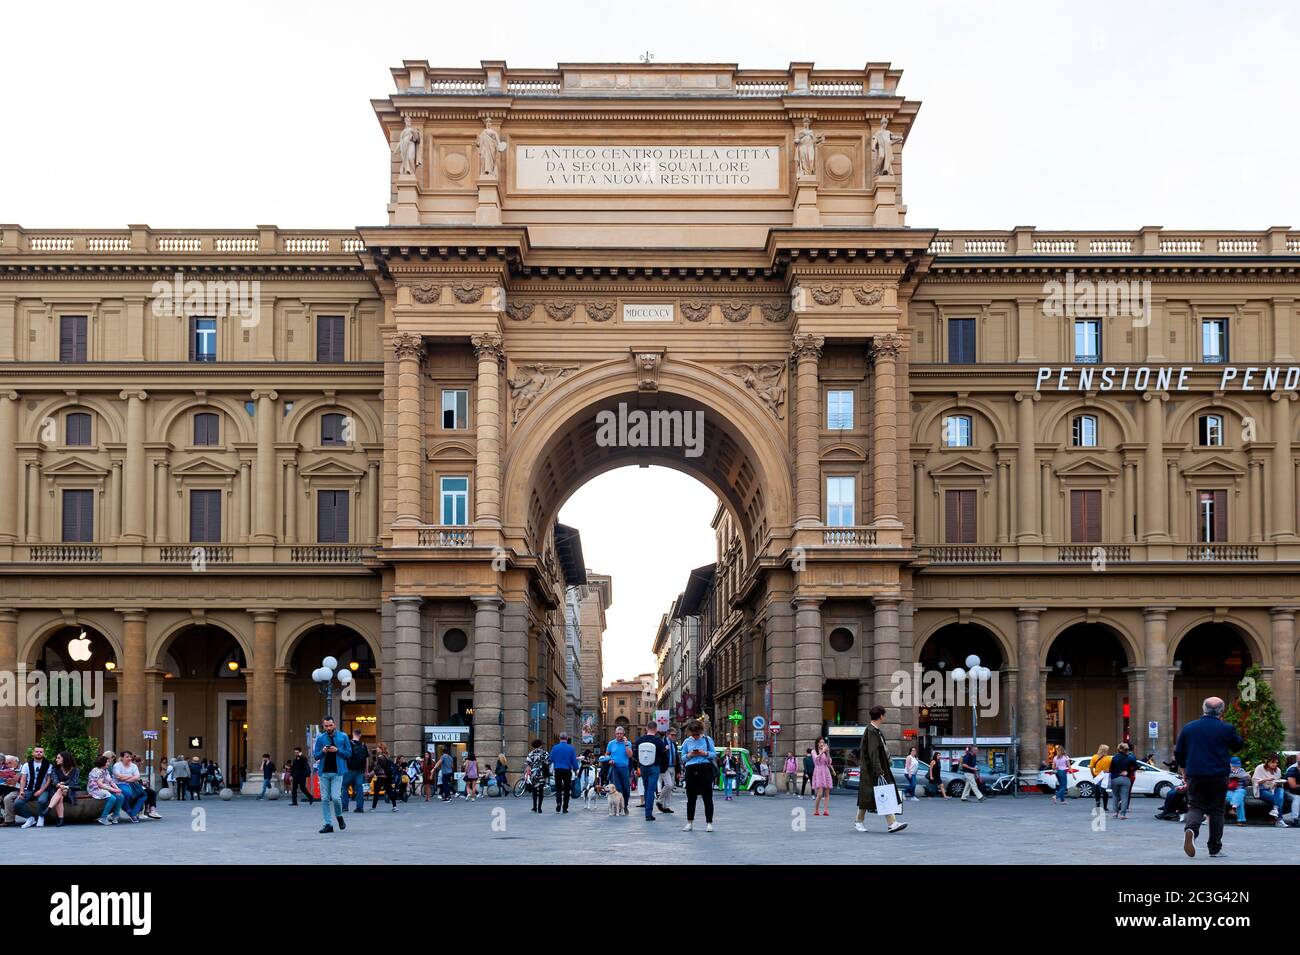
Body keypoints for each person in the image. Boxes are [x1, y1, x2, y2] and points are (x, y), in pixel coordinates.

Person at [1173, 696, 1244, 858]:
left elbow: (1179, 752)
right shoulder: (1226, 728)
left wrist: (1184, 770)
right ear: (1221, 711)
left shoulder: (1189, 728)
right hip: (1218, 775)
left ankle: (1191, 829)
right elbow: (1238, 745)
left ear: (1203, 709)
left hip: (1195, 773)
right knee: (1217, 810)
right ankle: (1214, 848)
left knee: (1196, 806)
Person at [854, 704, 908, 834]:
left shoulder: (874, 730)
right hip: (874, 771)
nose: (885, 718)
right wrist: (879, 772)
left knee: (875, 796)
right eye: (884, 715)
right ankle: (888, 823)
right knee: (877, 795)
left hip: (874, 770)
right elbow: (874, 753)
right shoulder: (872, 731)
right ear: (881, 716)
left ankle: (889, 823)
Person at [313, 715, 352, 834]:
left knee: (335, 797)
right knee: (324, 799)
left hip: (338, 772)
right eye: (326, 726)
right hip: (323, 772)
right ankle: (328, 824)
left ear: (334, 725)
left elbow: (349, 753)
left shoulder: (343, 736)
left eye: (330, 725)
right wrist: (323, 751)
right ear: (323, 726)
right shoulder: (320, 738)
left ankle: (339, 816)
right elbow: (315, 756)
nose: (328, 728)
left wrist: (337, 750)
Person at [680, 719, 716, 832]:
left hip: (705, 768)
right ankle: (689, 822)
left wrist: (704, 753)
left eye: (697, 734)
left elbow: (714, 754)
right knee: (691, 797)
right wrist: (690, 755)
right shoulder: (687, 741)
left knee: (707, 796)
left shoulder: (707, 739)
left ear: (701, 731)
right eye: (693, 734)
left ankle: (709, 823)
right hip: (691, 768)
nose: (695, 736)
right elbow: (683, 758)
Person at [15, 744, 56, 828]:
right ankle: (30, 818)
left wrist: (41, 790)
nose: (39, 753)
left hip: (43, 789)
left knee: (42, 801)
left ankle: (41, 817)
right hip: (30, 789)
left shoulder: (48, 765)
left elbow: (48, 780)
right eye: (37, 751)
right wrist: (22, 791)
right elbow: (23, 779)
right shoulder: (27, 765)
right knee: (17, 803)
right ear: (33, 753)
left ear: (43, 754)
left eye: (41, 752)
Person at [632, 723, 667, 821]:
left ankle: (648, 811)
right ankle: (648, 814)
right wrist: (663, 769)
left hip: (643, 767)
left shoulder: (640, 740)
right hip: (654, 766)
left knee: (647, 788)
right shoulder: (658, 741)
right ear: (656, 729)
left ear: (646, 729)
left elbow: (634, 756)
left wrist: (636, 768)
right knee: (651, 789)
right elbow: (665, 756)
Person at [87, 755, 124, 825]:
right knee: (112, 798)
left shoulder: (105, 770)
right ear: (102, 762)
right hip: (96, 789)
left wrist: (118, 789)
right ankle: (103, 817)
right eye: (107, 762)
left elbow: (111, 781)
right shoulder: (97, 771)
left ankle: (115, 815)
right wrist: (114, 790)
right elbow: (100, 785)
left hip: (105, 788)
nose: (109, 763)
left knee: (121, 796)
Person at [111, 750, 147, 822]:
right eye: (127, 757)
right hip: (118, 784)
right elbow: (118, 777)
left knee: (144, 794)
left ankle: (133, 812)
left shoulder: (133, 766)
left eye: (130, 757)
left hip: (132, 784)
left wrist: (125, 778)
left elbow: (137, 777)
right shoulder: (117, 765)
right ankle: (129, 812)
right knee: (127, 793)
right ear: (122, 758)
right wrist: (131, 776)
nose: (129, 758)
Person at [1251, 754, 1287, 826]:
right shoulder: (1260, 768)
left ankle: (1275, 810)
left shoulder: (1278, 770)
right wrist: (1266, 779)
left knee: (1281, 791)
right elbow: (1254, 781)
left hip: (1272, 789)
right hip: (1261, 790)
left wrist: (1277, 782)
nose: (1275, 764)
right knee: (1279, 799)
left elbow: (1276, 782)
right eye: (1273, 762)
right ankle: (1279, 819)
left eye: (1276, 763)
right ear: (1268, 762)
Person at [604, 726, 633, 813]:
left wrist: (626, 744)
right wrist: (609, 760)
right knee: (618, 788)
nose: (619, 735)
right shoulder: (611, 743)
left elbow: (630, 755)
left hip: (624, 768)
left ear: (624, 734)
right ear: (615, 734)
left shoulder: (628, 743)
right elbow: (606, 754)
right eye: (617, 733)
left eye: (621, 733)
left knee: (626, 789)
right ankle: (619, 806)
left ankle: (625, 805)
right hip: (614, 768)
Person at [549, 733, 579, 813]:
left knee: (558, 788)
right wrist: (576, 769)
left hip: (558, 770)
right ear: (567, 738)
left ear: (559, 738)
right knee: (567, 789)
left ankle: (558, 802)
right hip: (567, 770)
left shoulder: (555, 748)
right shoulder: (571, 748)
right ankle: (565, 807)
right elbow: (574, 761)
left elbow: (551, 759)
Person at [47, 751, 78, 827]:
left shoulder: (75, 770)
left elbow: (74, 782)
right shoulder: (55, 769)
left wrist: (63, 784)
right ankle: (61, 820)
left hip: (69, 790)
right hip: (56, 790)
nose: (56, 760)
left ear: (65, 759)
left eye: (58, 758)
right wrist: (59, 785)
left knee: (61, 790)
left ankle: (49, 808)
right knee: (60, 796)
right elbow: (54, 780)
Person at [344, 728, 369, 813]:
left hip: (349, 769)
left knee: (344, 786)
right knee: (359, 788)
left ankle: (345, 807)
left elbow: (345, 756)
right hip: (360, 770)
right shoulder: (363, 744)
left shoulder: (349, 743)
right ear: (360, 735)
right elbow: (366, 759)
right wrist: (366, 770)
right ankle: (360, 807)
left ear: (353, 734)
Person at [1109, 743, 1137, 819]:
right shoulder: (1130, 758)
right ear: (1127, 749)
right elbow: (1136, 767)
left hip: (1115, 778)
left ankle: (1115, 813)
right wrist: (1128, 771)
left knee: (1115, 796)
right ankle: (1122, 814)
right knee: (1125, 796)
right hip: (1125, 778)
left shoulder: (1114, 758)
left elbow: (1111, 769)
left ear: (1118, 749)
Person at [1225, 757, 1253, 826]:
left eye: (1236, 766)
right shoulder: (1226, 770)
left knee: (1240, 792)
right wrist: (1238, 776)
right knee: (1240, 801)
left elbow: (1246, 784)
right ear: (1229, 764)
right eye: (1233, 766)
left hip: (1240, 790)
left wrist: (1248, 779)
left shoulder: (1242, 771)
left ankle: (1233, 808)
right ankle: (1241, 820)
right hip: (1229, 791)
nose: (1234, 767)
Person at [525, 739, 550, 813]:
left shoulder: (531, 753)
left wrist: (527, 773)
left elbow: (528, 764)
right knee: (541, 791)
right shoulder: (544, 753)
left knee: (534, 791)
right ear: (540, 745)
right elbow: (548, 762)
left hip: (533, 774)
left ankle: (534, 807)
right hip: (541, 773)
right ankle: (540, 808)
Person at [371, 743, 398, 812]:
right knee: (389, 791)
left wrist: (370, 774)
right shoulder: (386, 756)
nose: (376, 749)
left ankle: (373, 807)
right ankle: (394, 806)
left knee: (376, 792)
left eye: (377, 747)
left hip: (381, 777)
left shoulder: (380, 757)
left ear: (381, 748)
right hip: (387, 777)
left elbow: (377, 768)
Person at [811, 738, 834, 816]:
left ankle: (825, 810)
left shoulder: (825, 751)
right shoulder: (813, 751)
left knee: (827, 793)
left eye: (823, 742)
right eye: (820, 742)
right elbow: (816, 759)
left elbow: (828, 762)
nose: (822, 743)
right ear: (817, 743)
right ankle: (816, 810)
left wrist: (827, 753)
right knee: (820, 794)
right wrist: (822, 752)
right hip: (818, 771)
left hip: (826, 771)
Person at [657, 729, 678, 814]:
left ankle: (666, 806)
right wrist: (664, 749)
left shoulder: (674, 744)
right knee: (668, 785)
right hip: (664, 767)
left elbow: (676, 756)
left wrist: (678, 770)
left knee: (671, 787)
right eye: (672, 735)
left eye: (675, 735)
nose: (674, 737)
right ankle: (659, 801)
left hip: (673, 767)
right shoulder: (662, 742)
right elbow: (658, 754)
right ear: (667, 735)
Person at [1088, 745, 1112, 813]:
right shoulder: (1109, 758)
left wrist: (1093, 774)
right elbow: (1111, 768)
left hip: (1097, 776)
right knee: (1105, 791)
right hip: (1105, 776)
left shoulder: (1094, 757)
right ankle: (1105, 807)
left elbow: (1091, 767)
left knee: (1097, 791)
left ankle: (1097, 804)